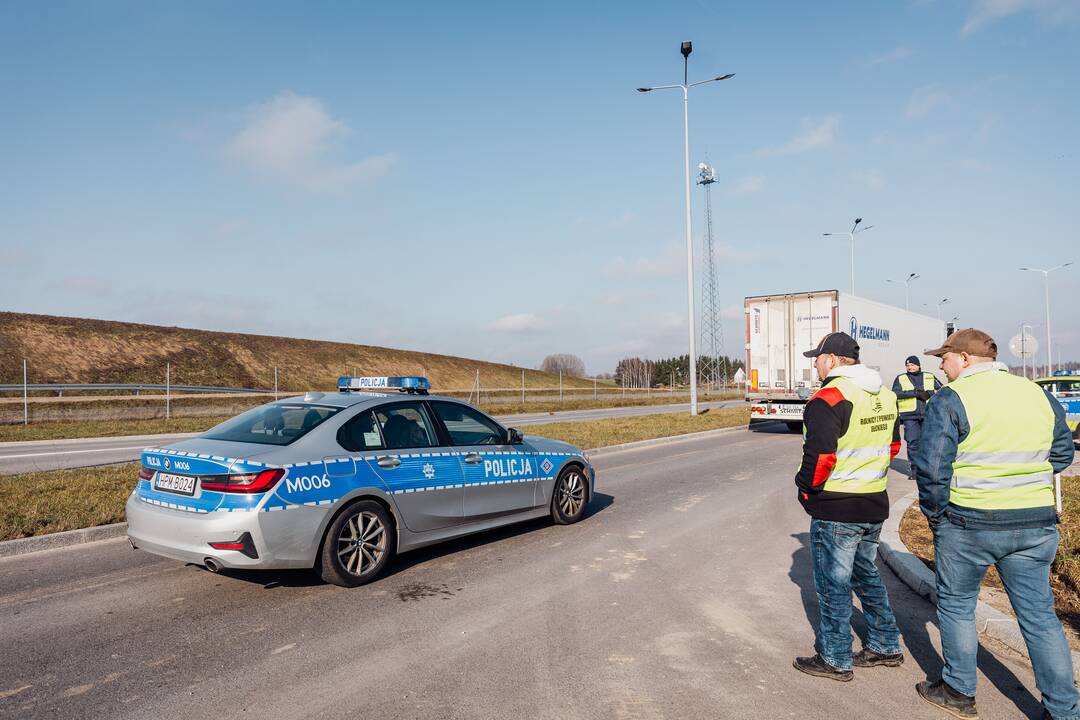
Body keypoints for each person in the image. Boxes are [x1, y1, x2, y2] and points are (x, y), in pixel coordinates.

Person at [913, 328, 1078, 720]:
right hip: (1034, 523)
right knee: (1039, 617)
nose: (941, 364)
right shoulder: (1037, 393)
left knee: (956, 606)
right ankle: (1064, 710)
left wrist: (936, 517)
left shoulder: (952, 398)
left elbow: (932, 468)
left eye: (945, 357)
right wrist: (1022, 481)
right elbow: (1062, 453)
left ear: (965, 359)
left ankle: (958, 691)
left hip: (970, 523)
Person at [793, 332, 904, 681]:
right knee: (865, 575)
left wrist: (807, 490)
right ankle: (886, 644)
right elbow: (893, 447)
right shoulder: (886, 396)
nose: (815, 363)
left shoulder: (828, 398)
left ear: (836, 361)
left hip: (836, 507)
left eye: (819, 357)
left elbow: (821, 457)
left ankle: (835, 657)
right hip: (873, 502)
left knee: (833, 585)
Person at [892, 355, 943, 479]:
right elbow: (895, 393)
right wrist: (915, 393)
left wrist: (929, 393)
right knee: (913, 443)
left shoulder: (929, 376)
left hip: (928, 415)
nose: (910, 367)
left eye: (912, 365)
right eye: (908, 365)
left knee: (929, 443)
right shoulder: (901, 378)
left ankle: (928, 469)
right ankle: (915, 471)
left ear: (919, 365)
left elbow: (942, 390)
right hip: (910, 416)